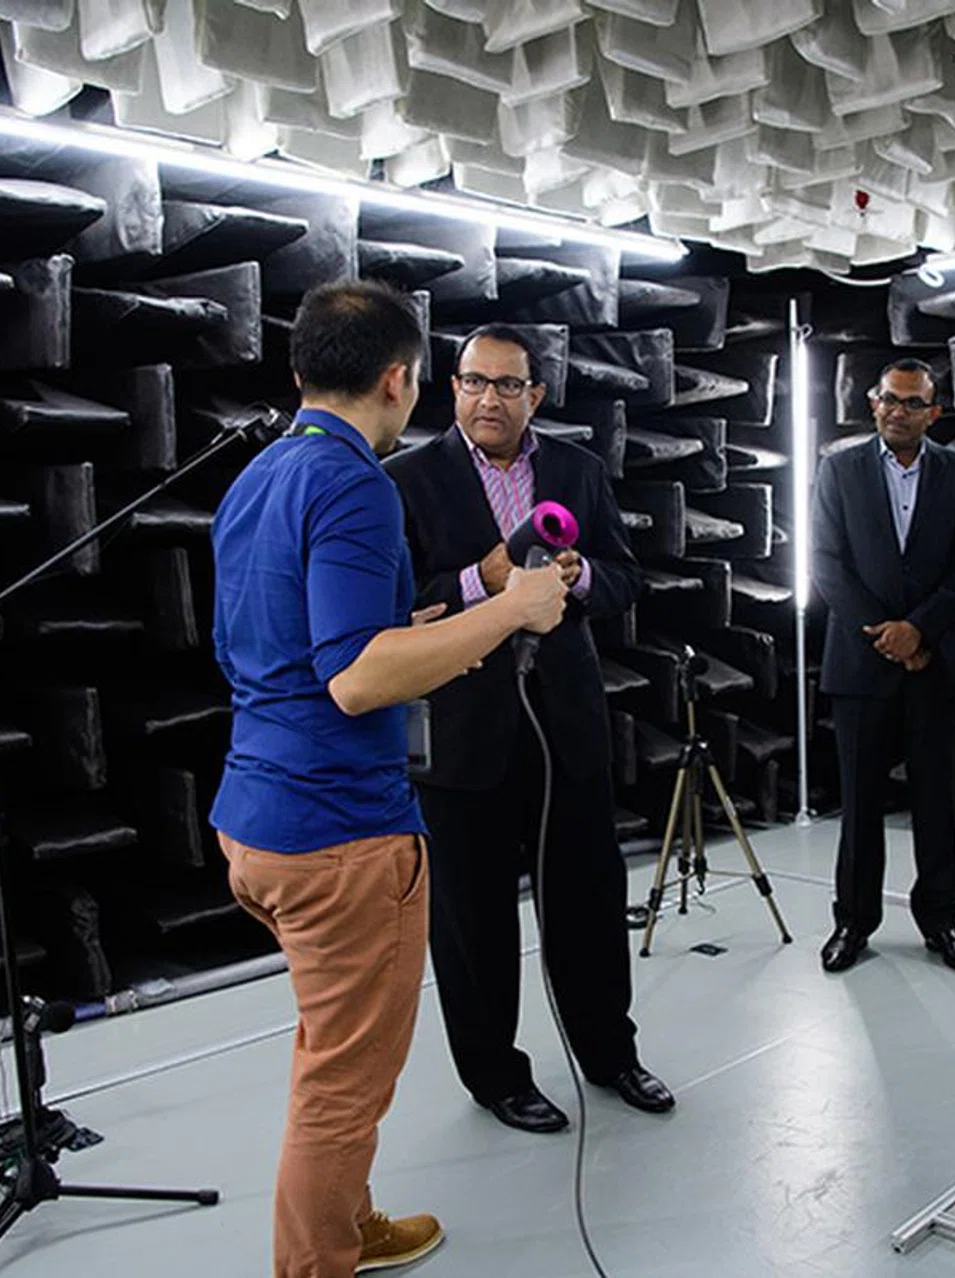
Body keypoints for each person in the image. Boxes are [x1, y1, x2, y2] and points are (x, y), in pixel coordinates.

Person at [211, 282, 569, 1276]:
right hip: (337, 834)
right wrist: (512, 611)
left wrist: (457, 618)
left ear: (299, 371)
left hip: (256, 816)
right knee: (342, 1085)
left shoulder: (262, 476)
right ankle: (315, 1261)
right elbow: (360, 679)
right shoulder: (358, 485)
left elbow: (316, 645)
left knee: (338, 1055)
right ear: (401, 379)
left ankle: (349, 1223)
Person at [384, 325, 673, 1135]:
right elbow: (398, 598)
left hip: (565, 724)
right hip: (461, 729)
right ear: (453, 386)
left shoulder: (578, 471)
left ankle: (611, 1054)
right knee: (472, 919)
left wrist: (584, 580)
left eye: (507, 386)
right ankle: (495, 1076)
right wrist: (488, 580)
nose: (488, 399)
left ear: (535, 396)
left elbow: (626, 576)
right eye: (475, 382)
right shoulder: (405, 478)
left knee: (587, 898)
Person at [810, 358, 955, 975]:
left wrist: (920, 631)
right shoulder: (839, 469)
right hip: (861, 666)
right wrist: (889, 636)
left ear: (933, 412)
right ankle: (853, 923)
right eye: (889, 399)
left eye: (913, 403)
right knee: (859, 806)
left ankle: (941, 922)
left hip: (934, 664)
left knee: (936, 803)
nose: (897, 410)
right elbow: (827, 564)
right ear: (872, 400)